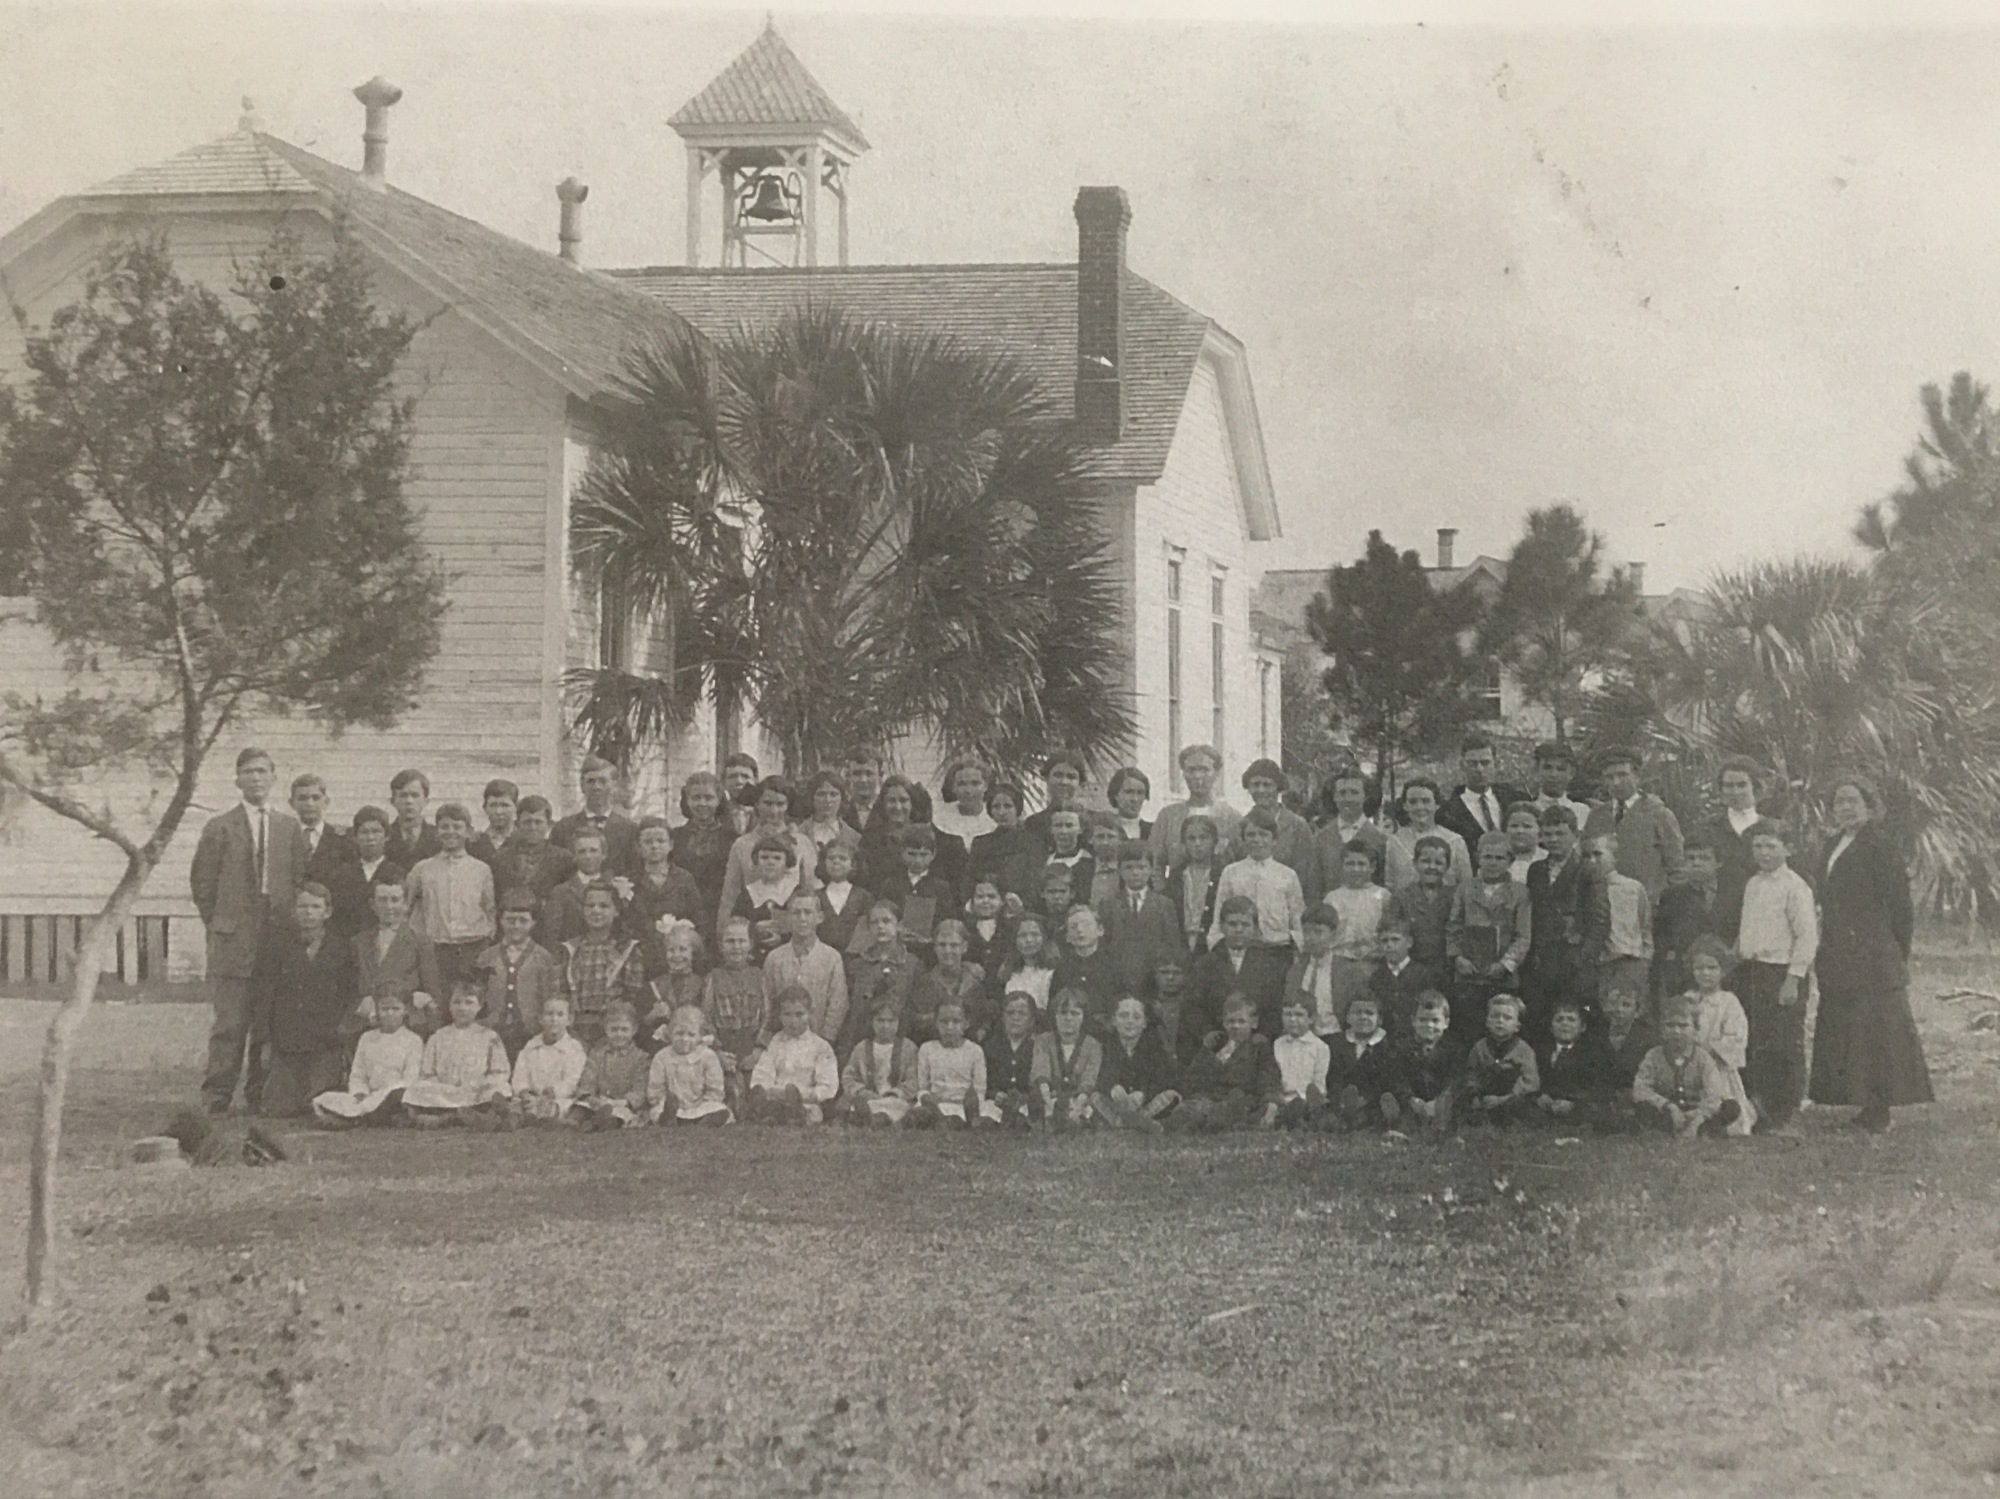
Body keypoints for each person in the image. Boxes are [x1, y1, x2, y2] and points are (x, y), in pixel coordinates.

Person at [1806, 778, 1932, 1133]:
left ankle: (1880, 1109)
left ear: (1869, 805)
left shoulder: (1880, 846)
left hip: (1873, 952)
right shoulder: (1833, 844)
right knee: (1849, 1028)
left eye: (1852, 800)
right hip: (1838, 950)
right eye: (1839, 802)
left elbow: (1900, 907)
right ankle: (1862, 1103)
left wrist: (1895, 951)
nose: (1845, 808)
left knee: (1876, 1030)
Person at [190, 746, 309, 1115]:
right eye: (248, 772)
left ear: (273, 778)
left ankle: (260, 1094)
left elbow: (299, 878)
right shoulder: (220, 826)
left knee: (266, 1022)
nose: (255, 778)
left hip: (275, 938)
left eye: (262, 772)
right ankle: (217, 1095)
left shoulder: (289, 828)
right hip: (234, 939)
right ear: (237, 780)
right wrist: (222, 922)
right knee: (229, 1023)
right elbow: (202, 884)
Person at [1732, 819, 1818, 1133]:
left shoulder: (1795, 887)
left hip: (1782, 972)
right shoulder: (1753, 884)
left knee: (1785, 1042)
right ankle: (1760, 1107)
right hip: (1753, 970)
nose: (1764, 853)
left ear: (1788, 848)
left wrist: (1793, 979)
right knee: (1758, 1039)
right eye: (1758, 846)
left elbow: (1807, 937)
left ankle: (1788, 1110)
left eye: (1771, 846)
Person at [256, 881, 355, 1117]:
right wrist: (266, 1041)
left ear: (327, 912)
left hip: (325, 1041)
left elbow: (348, 993)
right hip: (288, 1041)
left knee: (320, 1105)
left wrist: (342, 1032)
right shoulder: (277, 947)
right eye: (303, 906)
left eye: (315, 907)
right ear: (294, 911)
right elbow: (265, 995)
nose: (308, 913)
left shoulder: (340, 949)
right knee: (278, 1109)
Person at [1522, 804, 1605, 1034]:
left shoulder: (1588, 871)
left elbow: (1599, 923)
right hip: (1542, 961)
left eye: (1560, 834)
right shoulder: (1536, 870)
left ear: (1575, 836)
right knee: (1541, 1022)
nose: (1553, 839)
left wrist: (1580, 959)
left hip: (1573, 963)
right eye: (1548, 834)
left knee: (1573, 1021)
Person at [404, 802, 497, 999]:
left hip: (474, 947)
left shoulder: (481, 869)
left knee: (472, 1001)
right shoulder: (423, 869)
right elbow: (407, 907)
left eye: (457, 827)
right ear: (437, 831)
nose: (451, 832)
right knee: (439, 1001)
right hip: (437, 950)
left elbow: (490, 910)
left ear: (469, 831)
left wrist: (486, 940)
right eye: (444, 827)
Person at [1447, 832, 1532, 1036]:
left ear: (1510, 861)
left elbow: (1523, 935)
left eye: (1499, 858)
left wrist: (1505, 964)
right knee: (1468, 1028)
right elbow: (1453, 926)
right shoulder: (1465, 889)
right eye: (1487, 857)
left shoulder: (1520, 893)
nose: (1492, 863)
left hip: (1502, 977)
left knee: (1501, 1028)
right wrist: (1458, 958)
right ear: (1478, 858)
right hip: (1469, 974)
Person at [401, 983, 513, 1125]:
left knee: (499, 1089)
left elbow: (500, 1071)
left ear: (479, 1007)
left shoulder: (490, 1036)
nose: (462, 1008)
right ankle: (461, 1116)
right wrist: (445, 1086)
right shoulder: (438, 1036)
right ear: (449, 1006)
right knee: (417, 1089)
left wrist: (481, 1084)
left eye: (469, 1003)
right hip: (446, 1090)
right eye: (457, 1002)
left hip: (477, 1090)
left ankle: (450, 1117)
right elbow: (427, 1072)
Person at [719, 776, 820, 934]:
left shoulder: (801, 843)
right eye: (767, 803)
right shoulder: (742, 845)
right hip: (751, 927)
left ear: (788, 805)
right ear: (757, 804)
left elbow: (812, 890)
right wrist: (725, 934)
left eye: (780, 804)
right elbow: (730, 897)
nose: (774, 811)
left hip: (793, 930)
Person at [1582, 748, 1685, 901]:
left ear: (1637, 776)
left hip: (1647, 907)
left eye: (1622, 775)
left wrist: (1666, 904)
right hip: (1604, 906)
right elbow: (1587, 862)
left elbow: (1677, 867)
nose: (1616, 783)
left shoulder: (1659, 814)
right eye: (1609, 777)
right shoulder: (1596, 816)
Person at [1632, 999, 1738, 1139]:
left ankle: (1704, 1130)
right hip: (1668, 1113)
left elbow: (1714, 1094)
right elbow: (1640, 1088)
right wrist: (1669, 1106)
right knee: (1643, 1108)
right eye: (1670, 1025)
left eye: (1683, 1026)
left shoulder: (1703, 1058)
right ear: (1662, 1030)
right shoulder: (1654, 1055)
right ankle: (1664, 1131)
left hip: (1697, 1112)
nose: (1676, 1031)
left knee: (1731, 1107)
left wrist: (1697, 1119)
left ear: (1695, 1030)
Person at [311, 992, 422, 1127]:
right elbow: (358, 1073)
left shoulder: (413, 1040)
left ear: (405, 1011)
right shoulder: (367, 1038)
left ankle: (351, 1119)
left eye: (395, 1009)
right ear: (376, 1010)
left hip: (393, 1096)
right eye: (385, 1009)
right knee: (323, 1099)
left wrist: (380, 1096)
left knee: (399, 1097)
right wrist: (360, 1092)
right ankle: (360, 1116)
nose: (390, 1014)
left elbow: (410, 1079)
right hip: (368, 1095)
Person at [475, 888, 560, 1060]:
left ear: (534, 922)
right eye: (510, 920)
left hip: (531, 1034)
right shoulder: (487, 957)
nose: (516, 926)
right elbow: (478, 996)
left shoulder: (543, 958)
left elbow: (549, 997)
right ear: (500, 920)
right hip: (493, 1033)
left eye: (523, 920)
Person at [1210, 808, 1305, 958]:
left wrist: (1293, 943)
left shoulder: (1287, 875)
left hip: (1277, 950)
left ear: (1274, 840)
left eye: (1264, 835)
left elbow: (1297, 918)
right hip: (1241, 951)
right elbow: (1219, 917)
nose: (1257, 840)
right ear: (1243, 839)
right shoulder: (1231, 872)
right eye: (1251, 835)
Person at [559, 882, 647, 1045]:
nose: (596, 911)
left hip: (613, 1032)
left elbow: (632, 998)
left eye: (604, 906)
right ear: (582, 910)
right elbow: (562, 994)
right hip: (575, 1032)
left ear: (616, 911)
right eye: (590, 906)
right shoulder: (571, 949)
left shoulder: (627, 949)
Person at [1684, 938, 1755, 1136]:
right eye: (1699, 968)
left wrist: (1710, 1049)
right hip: (1692, 1067)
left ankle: (1717, 1122)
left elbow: (1736, 1037)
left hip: (1718, 1069)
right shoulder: (1688, 998)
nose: (1705, 973)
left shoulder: (1728, 1002)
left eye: (1711, 967)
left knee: (1723, 1102)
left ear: (1723, 970)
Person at [1191, 895, 1288, 1043]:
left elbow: (1275, 1006)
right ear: (1222, 926)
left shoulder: (1270, 965)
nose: (1239, 929)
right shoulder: (1205, 964)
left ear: (1255, 928)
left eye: (1245, 924)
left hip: (1257, 1042)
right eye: (1232, 924)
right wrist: (1207, 1032)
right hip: (1218, 1041)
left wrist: (1265, 1034)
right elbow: (1194, 1006)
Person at [1173, 994, 1274, 1132]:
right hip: (1211, 1099)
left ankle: (1213, 1123)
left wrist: (1270, 1103)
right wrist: (1208, 1054)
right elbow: (1193, 1078)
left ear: (1254, 1023)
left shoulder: (1258, 1046)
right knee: (1185, 1110)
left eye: (1241, 1021)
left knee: (1235, 1107)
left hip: (1242, 1099)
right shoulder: (1216, 1044)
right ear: (1224, 1023)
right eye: (1231, 1022)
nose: (1235, 1026)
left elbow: (1268, 1079)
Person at [354, 879, 442, 1038]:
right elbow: (349, 990)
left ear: (405, 904)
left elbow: (433, 994)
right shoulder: (359, 941)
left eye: (395, 900)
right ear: (373, 904)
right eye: (382, 900)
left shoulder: (419, 941)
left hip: (407, 1025)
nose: (389, 907)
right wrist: (360, 1004)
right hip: (367, 1024)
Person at [762, 889, 849, 1044]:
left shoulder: (831, 958)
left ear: (819, 917)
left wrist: (825, 1041)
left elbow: (838, 1004)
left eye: (808, 913)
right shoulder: (775, 958)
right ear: (788, 918)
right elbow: (767, 1002)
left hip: (819, 1041)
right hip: (781, 1042)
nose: (802, 918)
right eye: (796, 913)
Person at [1321, 839, 1393, 1022]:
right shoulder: (1333, 898)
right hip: (1341, 963)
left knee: (1372, 1010)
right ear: (1342, 866)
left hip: (1373, 963)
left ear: (1373, 867)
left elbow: (1389, 930)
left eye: (1361, 864)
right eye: (1350, 864)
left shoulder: (1382, 896)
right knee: (1342, 1010)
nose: (1355, 869)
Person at [746, 986, 839, 1124]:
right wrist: (769, 1091)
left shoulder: (821, 1047)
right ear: (779, 1016)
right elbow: (762, 1074)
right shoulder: (775, 1042)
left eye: (799, 1014)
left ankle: (794, 1114)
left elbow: (827, 1088)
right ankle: (772, 1115)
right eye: (787, 1014)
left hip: (806, 1102)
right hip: (775, 1098)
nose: (793, 1021)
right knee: (768, 1104)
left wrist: (801, 1094)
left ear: (810, 1013)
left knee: (808, 1112)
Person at [1702, 756, 1766, 945]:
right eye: (1728, 786)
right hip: (1720, 918)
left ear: (1754, 786)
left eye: (1741, 785)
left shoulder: (1771, 829)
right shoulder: (1710, 827)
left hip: (1763, 916)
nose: (1735, 791)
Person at [1584, 832, 1652, 1010]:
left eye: (1598, 854)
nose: (1592, 861)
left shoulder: (1632, 888)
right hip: (1601, 964)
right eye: (1587, 856)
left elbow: (1645, 925)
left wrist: (1644, 959)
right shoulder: (1584, 889)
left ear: (1614, 857)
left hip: (1630, 962)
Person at [844, 902, 923, 1054]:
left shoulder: (913, 964)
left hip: (902, 1040)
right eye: (874, 922)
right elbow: (854, 1012)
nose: (880, 926)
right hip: (865, 1040)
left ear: (899, 925)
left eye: (886, 921)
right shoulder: (858, 966)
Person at [1093, 995, 1180, 1131]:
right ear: (1114, 1021)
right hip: (1117, 1105)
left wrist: (1144, 1094)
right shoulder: (1105, 1046)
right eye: (1123, 1016)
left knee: (1170, 1095)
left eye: (1136, 1017)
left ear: (1145, 1023)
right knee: (1095, 1097)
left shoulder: (1155, 1047)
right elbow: (1100, 1075)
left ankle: (1128, 1123)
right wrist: (1112, 1088)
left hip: (1144, 1105)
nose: (1130, 1021)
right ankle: (1132, 1123)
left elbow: (1163, 1079)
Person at [292, 774, 363, 938]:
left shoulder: (344, 839)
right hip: (295, 925)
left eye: (315, 798)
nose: (309, 803)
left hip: (334, 926)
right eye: (302, 798)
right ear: (292, 803)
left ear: (326, 801)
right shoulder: (283, 838)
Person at [1149, 744, 1242, 867]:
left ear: (1217, 773)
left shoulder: (1232, 818)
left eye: (1204, 769)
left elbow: (1241, 861)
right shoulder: (1168, 816)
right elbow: (1154, 861)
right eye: (1191, 770)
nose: (1197, 776)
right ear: (1184, 773)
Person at [1241, 758, 1319, 904]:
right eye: (1255, 785)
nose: (1261, 790)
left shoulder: (1297, 826)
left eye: (1267, 785)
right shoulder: (1242, 825)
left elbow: (1308, 877)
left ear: (1278, 787)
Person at [1653, 835, 1720, 1001]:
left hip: (1724, 975)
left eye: (1704, 858)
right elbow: (1662, 937)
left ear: (1718, 863)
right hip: (1685, 976)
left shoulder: (1733, 895)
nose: (1696, 863)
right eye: (1690, 858)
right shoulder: (1671, 896)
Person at [628, 818, 704, 965]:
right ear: (638, 846)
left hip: (677, 957)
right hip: (640, 957)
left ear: (671, 845)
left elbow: (698, 918)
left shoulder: (684, 879)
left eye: (661, 841)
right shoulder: (629, 881)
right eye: (648, 842)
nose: (654, 846)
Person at [1326, 993, 1406, 1132]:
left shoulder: (1388, 1045)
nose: (1363, 1017)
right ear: (1348, 1018)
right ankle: (1346, 1117)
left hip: (1374, 1099)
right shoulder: (1337, 1044)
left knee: (1380, 1108)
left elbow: (1389, 1079)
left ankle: (1386, 1120)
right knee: (1334, 1111)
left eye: (1369, 1013)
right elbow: (1333, 1077)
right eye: (1357, 1013)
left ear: (1379, 1020)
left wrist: (1367, 1099)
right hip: (1344, 1098)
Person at [1533, 999, 1616, 1131]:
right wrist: (1540, 1096)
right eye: (1559, 1020)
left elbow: (1599, 1087)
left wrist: (1574, 1103)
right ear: (1551, 1027)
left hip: (1577, 1104)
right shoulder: (1541, 1052)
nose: (1565, 1024)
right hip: (1548, 1104)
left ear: (1582, 1027)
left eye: (1571, 1020)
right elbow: (1533, 1080)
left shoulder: (1592, 1054)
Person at [489, 795, 574, 925]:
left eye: (538, 822)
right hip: (512, 926)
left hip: (549, 926)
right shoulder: (500, 858)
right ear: (518, 824)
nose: (533, 827)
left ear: (549, 825)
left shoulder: (563, 858)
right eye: (527, 822)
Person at [699, 919, 765, 1084]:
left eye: (742, 941)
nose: (736, 947)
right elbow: (705, 1018)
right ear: (721, 946)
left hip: (752, 1049)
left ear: (750, 944)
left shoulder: (759, 976)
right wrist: (717, 1051)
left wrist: (759, 1050)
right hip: (723, 1049)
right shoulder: (713, 978)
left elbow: (768, 1016)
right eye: (730, 941)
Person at [1459, 992, 1539, 1126]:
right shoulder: (1480, 1047)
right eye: (1495, 1016)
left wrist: (1504, 1099)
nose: (1500, 1021)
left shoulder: (1524, 1050)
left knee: (1524, 1107)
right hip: (1485, 1098)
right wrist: (1476, 1095)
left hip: (1511, 1098)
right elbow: (1471, 1074)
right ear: (1487, 1022)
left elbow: (1531, 1082)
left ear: (1517, 1026)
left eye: (1507, 1018)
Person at [551, 756, 640, 878]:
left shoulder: (630, 830)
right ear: (582, 785)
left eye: (602, 781)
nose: (596, 787)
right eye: (591, 781)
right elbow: (556, 871)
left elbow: (635, 872)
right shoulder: (563, 828)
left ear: (613, 785)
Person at [911, 1001, 993, 1128]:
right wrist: (927, 1098)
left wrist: (971, 1103)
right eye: (944, 1022)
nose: (949, 1027)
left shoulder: (975, 1050)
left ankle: (960, 1122)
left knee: (987, 1115)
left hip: (964, 1106)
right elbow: (922, 1086)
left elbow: (979, 1089)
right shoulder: (927, 1048)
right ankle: (941, 1119)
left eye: (956, 1021)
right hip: (937, 1105)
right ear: (936, 1023)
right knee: (918, 1113)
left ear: (966, 1024)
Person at [877, 824, 954, 958]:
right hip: (896, 949)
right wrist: (896, 929)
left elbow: (945, 921)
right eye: (912, 854)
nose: (918, 860)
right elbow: (881, 914)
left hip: (928, 952)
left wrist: (930, 937)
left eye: (923, 855)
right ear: (902, 853)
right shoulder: (891, 884)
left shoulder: (941, 887)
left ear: (933, 854)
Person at [648, 1004, 733, 1126]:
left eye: (691, 1035)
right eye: (679, 1033)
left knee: (719, 1109)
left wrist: (705, 1104)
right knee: (657, 1111)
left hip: (701, 1105)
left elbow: (715, 1089)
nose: (685, 1039)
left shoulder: (708, 1056)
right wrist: (663, 1101)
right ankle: (669, 1118)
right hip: (673, 1107)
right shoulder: (662, 1057)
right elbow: (655, 1090)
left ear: (700, 1037)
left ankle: (704, 1120)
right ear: (670, 1034)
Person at [1434, 735, 1523, 850]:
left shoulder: (1514, 800)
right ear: (1462, 765)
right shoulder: (1447, 813)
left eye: (1485, 763)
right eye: (1472, 764)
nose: (1480, 769)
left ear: (1495, 764)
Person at [670, 771, 735, 926]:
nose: (702, 803)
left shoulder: (732, 839)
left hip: (719, 912)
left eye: (708, 798)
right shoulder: (674, 837)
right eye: (696, 798)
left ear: (719, 800)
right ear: (687, 801)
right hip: (682, 913)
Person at [512, 993, 589, 1124]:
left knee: (566, 1107)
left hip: (558, 1098)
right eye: (549, 1014)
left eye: (560, 1014)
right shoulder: (531, 1046)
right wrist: (525, 1093)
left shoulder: (574, 1049)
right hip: (533, 1097)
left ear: (569, 1019)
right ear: (540, 1019)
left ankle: (542, 1117)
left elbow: (572, 1081)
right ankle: (519, 1117)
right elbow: (520, 1075)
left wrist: (552, 1093)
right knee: (517, 1105)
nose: (554, 1019)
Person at [840, 1001, 920, 1127]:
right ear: (872, 1022)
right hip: (869, 1097)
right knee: (859, 1106)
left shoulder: (908, 1048)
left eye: (891, 1021)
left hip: (895, 1099)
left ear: (899, 1022)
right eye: (880, 1020)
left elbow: (913, 1080)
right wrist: (862, 1091)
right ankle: (869, 1118)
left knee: (896, 1109)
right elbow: (848, 1077)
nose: (885, 1026)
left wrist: (895, 1093)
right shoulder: (862, 1048)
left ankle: (882, 1121)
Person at [1384, 778, 1472, 891]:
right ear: (1405, 806)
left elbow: (1466, 886)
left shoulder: (1455, 841)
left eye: (1426, 801)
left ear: (1437, 804)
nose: (1420, 807)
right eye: (1413, 802)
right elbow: (1390, 885)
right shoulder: (1394, 841)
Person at [1313, 767, 1389, 898]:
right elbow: (1315, 885)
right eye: (1342, 793)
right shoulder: (1320, 838)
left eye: (1354, 792)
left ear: (1365, 796)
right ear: (1334, 797)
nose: (1348, 799)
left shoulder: (1381, 840)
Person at [1031, 989, 1102, 1128]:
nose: (1068, 1018)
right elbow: (1041, 1071)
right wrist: (1049, 1102)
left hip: (1080, 1099)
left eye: (1075, 1013)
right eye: (1063, 1013)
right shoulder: (1043, 1041)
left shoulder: (1093, 1045)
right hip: (1050, 1098)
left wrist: (1077, 1106)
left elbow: (1089, 1080)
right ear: (1054, 1016)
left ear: (1084, 1017)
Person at [911, 919, 989, 1044]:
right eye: (942, 945)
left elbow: (982, 1021)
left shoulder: (975, 984)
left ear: (964, 947)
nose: (947, 951)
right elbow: (916, 1023)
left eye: (954, 945)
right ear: (935, 947)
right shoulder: (924, 983)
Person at [1163, 814, 1224, 961]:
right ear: (1184, 843)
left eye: (1203, 838)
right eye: (1191, 838)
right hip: (1181, 947)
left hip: (1212, 949)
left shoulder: (1223, 875)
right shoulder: (1176, 876)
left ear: (1214, 842)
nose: (1197, 844)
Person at [1397, 992, 1460, 1132]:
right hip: (1414, 1100)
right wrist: (1411, 1099)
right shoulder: (1403, 1048)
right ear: (1413, 1021)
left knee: (1451, 1100)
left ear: (1446, 1023)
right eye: (1423, 1020)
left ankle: (1442, 1128)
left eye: (1435, 1021)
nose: (1429, 1025)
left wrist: (1436, 1102)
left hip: (1440, 1101)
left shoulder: (1452, 1050)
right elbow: (1399, 1078)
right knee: (1399, 1103)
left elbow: (1454, 1078)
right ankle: (1403, 1124)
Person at [1366, 916, 1438, 1039]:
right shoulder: (1376, 977)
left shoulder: (1423, 975)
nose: (1389, 945)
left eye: (1395, 940)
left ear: (1409, 942)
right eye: (1384, 941)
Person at [1265, 996, 1331, 1130]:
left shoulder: (1320, 1047)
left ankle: (1301, 1119)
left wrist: (1303, 1098)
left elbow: (1319, 1083)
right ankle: (1285, 1119)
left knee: (1305, 1106)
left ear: (1311, 1019)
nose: (1292, 1019)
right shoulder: (1277, 1044)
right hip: (1281, 1099)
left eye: (1299, 1015)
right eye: (1288, 1014)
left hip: (1306, 1099)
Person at [734, 835, 803, 960]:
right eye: (764, 857)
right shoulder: (747, 894)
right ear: (756, 861)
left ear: (787, 862)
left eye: (777, 858)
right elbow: (736, 927)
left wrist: (782, 938)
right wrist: (754, 929)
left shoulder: (797, 892)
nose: (770, 862)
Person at [969, 782, 1038, 906]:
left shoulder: (1032, 842)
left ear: (1018, 808)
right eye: (996, 807)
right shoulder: (981, 844)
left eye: (1008, 806)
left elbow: (1034, 884)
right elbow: (971, 881)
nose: (1002, 812)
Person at [857, 775, 925, 898]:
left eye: (903, 800)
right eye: (891, 801)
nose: (898, 807)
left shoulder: (925, 836)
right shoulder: (871, 840)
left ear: (912, 803)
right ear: (883, 803)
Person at [645, 922, 709, 1050]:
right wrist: (653, 1015)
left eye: (683, 949)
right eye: (671, 950)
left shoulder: (703, 984)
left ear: (693, 952)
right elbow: (641, 1026)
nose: (677, 955)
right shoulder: (655, 985)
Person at [1283, 904, 1343, 1038]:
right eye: (1306, 932)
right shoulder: (1295, 971)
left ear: (1333, 934)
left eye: (1318, 932)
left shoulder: (1347, 971)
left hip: (1335, 1036)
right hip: (1303, 1037)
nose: (1311, 938)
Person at [982, 992, 1041, 1128]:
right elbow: (984, 1079)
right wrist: (994, 1094)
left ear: (1031, 1020)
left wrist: (1027, 1097)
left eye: (1022, 1014)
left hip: (1025, 1102)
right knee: (989, 1116)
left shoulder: (1037, 1047)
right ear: (1003, 1017)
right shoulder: (991, 1045)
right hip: (997, 1102)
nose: (1016, 1018)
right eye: (1010, 1013)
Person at [1399, 837, 1456, 979]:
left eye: (1438, 863)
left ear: (1447, 866)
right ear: (1415, 863)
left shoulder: (1455, 896)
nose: (1432, 867)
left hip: (1448, 969)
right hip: (1413, 969)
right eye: (1425, 861)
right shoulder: (1402, 897)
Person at [988, 913, 1056, 1028]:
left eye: (1035, 934)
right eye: (1022, 935)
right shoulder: (1006, 973)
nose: (1029, 940)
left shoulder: (1054, 972)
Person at [346, 805, 407, 929]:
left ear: (387, 836)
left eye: (376, 831)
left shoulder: (398, 872)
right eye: (364, 832)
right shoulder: (343, 874)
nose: (370, 838)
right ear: (355, 837)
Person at [1597, 978, 1658, 1102]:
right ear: (1604, 1006)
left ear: (1637, 1011)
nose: (1618, 1009)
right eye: (1613, 1003)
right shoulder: (1595, 1036)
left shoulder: (1648, 1040)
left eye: (1626, 1005)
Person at [932, 761, 997, 872]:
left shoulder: (995, 817)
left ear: (985, 786)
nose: (968, 790)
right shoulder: (940, 819)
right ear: (953, 787)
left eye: (975, 783)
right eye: (962, 784)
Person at [1022, 749, 1090, 849]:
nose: (1063, 782)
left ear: (1081, 784)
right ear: (1046, 778)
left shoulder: (1092, 822)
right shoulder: (1033, 824)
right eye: (1058, 775)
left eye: (1071, 777)